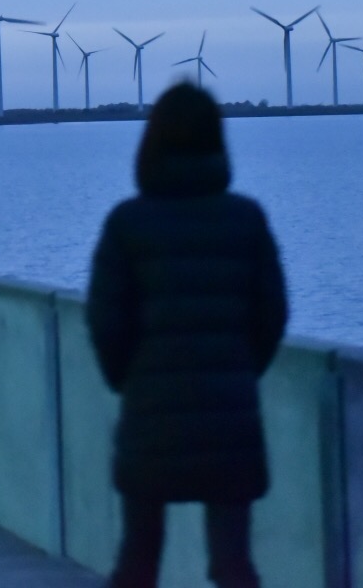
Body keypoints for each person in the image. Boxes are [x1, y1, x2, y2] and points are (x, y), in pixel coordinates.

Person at [85, 82, 288, 588]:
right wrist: (240, 369)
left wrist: (128, 380)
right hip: (229, 416)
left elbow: (105, 319)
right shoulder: (246, 219)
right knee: (233, 565)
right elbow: (273, 314)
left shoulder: (127, 224)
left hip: (152, 414)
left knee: (138, 561)